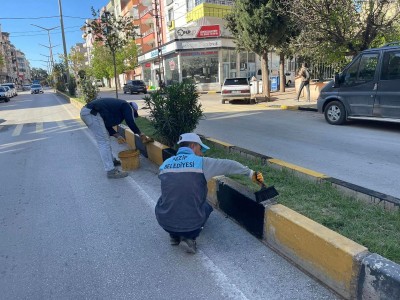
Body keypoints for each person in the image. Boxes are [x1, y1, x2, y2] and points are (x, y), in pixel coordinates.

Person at [155, 133, 264, 254]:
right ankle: (189, 238)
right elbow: (229, 165)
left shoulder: (165, 164)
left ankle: (174, 236)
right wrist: (250, 173)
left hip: (164, 221)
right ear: (193, 145)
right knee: (206, 207)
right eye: (200, 149)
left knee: (169, 197)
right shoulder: (201, 163)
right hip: (190, 225)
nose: (201, 153)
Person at [80, 98, 153, 179]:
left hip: (89, 113)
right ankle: (111, 171)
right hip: (92, 113)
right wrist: (140, 134)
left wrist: (117, 135)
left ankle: (112, 161)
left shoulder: (116, 108)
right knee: (103, 142)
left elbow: (106, 125)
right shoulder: (127, 106)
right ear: (133, 110)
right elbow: (130, 122)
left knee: (105, 139)